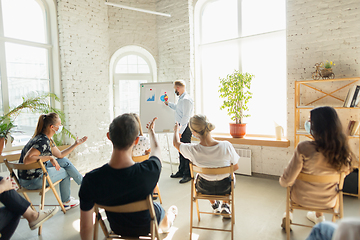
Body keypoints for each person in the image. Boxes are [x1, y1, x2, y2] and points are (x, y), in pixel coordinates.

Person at [79, 114, 177, 240]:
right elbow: (156, 150)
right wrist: (151, 132)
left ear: (109, 137)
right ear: (136, 141)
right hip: (147, 226)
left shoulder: (91, 180)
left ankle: (168, 219)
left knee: (157, 208)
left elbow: (86, 227)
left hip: (118, 227)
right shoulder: (149, 170)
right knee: (158, 209)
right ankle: (169, 222)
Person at [279, 106, 354, 228]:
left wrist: (283, 181)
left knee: (291, 181)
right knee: (323, 185)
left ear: (317, 126)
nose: (308, 124)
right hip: (328, 201)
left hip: (301, 198)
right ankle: (319, 217)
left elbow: (286, 180)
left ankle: (289, 214)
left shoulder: (303, 148)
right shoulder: (344, 151)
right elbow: (345, 173)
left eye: (310, 122)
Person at [173, 114, 239, 218]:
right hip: (225, 188)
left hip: (204, 188)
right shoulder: (226, 145)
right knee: (230, 175)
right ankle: (225, 205)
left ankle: (214, 204)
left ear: (194, 133)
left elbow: (176, 143)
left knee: (202, 177)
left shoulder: (192, 149)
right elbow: (235, 167)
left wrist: (176, 130)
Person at [18, 112, 88, 210]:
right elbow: (27, 160)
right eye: (59, 125)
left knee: (64, 161)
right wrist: (50, 158)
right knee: (66, 172)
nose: (60, 127)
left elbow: (60, 155)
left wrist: (76, 144)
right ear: (52, 127)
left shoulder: (45, 139)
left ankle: (84, 183)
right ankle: (68, 200)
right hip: (32, 181)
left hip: (31, 176)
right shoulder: (43, 141)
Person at [165, 79, 194, 183]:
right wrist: (168, 104)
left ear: (178, 88)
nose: (175, 91)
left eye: (175, 89)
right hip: (180, 128)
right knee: (180, 150)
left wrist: (180, 131)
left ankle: (188, 174)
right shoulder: (181, 99)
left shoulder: (186, 99)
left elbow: (186, 117)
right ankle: (181, 171)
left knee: (185, 151)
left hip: (185, 129)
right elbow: (178, 109)